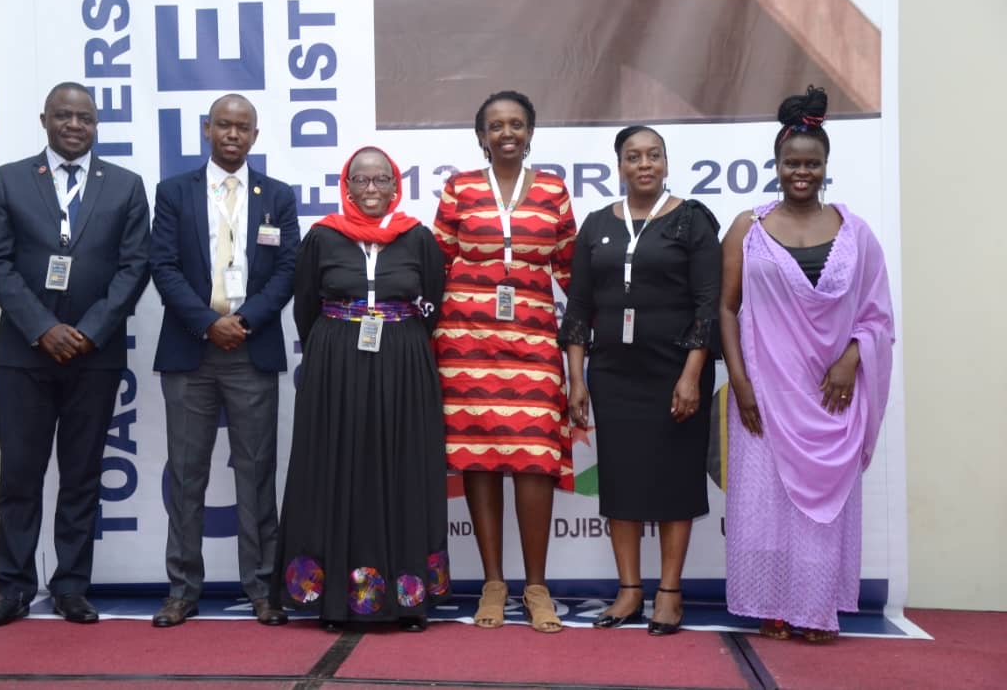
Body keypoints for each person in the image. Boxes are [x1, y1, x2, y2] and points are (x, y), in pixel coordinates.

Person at [720, 86, 894, 642]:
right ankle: (774, 604)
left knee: (823, 511)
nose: (801, 172)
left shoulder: (856, 233)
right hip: (765, 396)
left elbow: (878, 317)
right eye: (791, 163)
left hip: (829, 396)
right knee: (767, 506)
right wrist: (741, 385)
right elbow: (725, 307)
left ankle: (817, 609)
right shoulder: (747, 228)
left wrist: (849, 360)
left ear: (825, 167)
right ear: (775, 165)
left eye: (811, 163)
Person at [0, 82, 151, 628]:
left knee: (81, 475)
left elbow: (134, 268)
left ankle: (72, 585)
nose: (75, 125)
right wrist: (44, 329)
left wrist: (89, 331)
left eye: (85, 117)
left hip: (93, 358)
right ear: (45, 119)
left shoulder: (124, 186)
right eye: (64, 116)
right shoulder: (9, 180)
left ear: (96, 124)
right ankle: (14, 588)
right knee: (20, 477)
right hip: (25, 357)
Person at [271, 146, 448, 632]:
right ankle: (332, 600)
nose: (372, 190)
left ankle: (407, 599)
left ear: (396, 185)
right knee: (337, 469)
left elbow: (431, 302)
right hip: (335, 365)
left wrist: (402, 347)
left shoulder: (418, 238)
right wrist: (332, 350)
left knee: (400, 469)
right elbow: (305, 306)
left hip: (403, 364)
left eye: (382, 180)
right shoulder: (322, 237)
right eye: (362, 181)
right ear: (346, 187)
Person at [559, 126, 721, 635]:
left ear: (667, 164)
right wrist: (577, 380)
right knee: (622, 479)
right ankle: (629, 590)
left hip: (676, 373)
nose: (644, 164)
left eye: (654, 155)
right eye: (634, 157)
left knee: (674, 478)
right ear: (620, 166)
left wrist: (692, 375)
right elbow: (580, 306)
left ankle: (669, 592)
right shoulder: (595, 225)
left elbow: (707, 304)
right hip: (613, 374)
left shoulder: (692, 219)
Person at [149, 94, 299, 627]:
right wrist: (208, 322)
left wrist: (247, 321)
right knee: (186, 476)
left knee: (256, 473)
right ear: (207, 130)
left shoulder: (276, 197)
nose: (233, 135)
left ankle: (261, 588)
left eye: (243, 128)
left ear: (255, 136)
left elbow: (287, 270)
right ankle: (183, 590)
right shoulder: (173, 193)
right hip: (192, 350)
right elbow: (162, 267)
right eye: (224, 126)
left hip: (250, 350)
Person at [434, 91, 576, 633]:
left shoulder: (555, 191)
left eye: (516, 124)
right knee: (479, 456)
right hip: (465, 343)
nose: (507, 133)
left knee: (535, 457)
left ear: (531, 132)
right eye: (496, 126)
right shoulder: (459, 188)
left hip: (536, 342)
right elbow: (437, 260)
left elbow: (571, 270)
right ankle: (493, 584)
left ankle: (535, 587)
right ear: (482, 136)